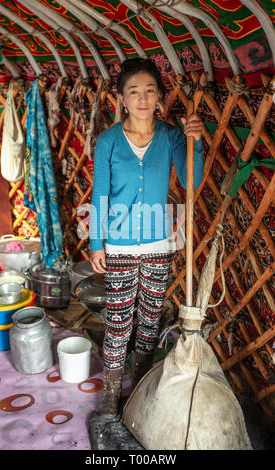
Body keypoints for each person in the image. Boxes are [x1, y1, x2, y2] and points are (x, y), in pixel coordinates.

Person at [89, 58, 204, 419]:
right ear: (121, 98)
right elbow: (100, 195)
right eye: (134, 91)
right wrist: (96, 242)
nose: (142, 98)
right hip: (120, 243)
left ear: (159, 97)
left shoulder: (172, 135)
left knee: (151, 318)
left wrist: (195, 144)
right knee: (119, 319)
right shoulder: (108, 140)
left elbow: (189, 183)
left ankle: (138, 380)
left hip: (159, 245)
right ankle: (110, 389)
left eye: (149, 91)